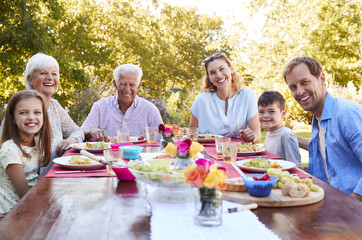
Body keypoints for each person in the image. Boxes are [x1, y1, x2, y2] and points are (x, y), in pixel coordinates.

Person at [283, 56, 362, 200]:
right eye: (293, 87)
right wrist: (290, 137)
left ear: (322, 79)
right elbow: (327, 146)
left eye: (305, 82)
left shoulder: (346, 113)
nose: (299, 92)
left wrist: (352, 203)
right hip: (329, 200)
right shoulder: (318, 118)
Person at [22, 53, 84, 175]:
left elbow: (78, 130)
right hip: (28, 185)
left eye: (54, 74)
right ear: (30, 79)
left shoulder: (54, 106)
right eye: (43, 73)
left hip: (55, 176)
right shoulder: (22, 107)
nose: (50, 78)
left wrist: (72, 139)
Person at [190, 52, 261, 142]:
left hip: (238, 152)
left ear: (231, 70)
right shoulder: (201, 100)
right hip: (206, 153)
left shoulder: (247, 96)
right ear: (209, 78)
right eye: (212, 73)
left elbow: (257, 134)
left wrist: (251, 137)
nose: (219, 75)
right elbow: (192, 134)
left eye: (222, 69)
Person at [0, 90, 52, 213]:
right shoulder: (10, 150)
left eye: (37, 112)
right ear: (13, 118)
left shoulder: (36, 143)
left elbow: (35, 180)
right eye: (23, 113)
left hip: (28, 205)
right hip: (10, 214)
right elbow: (24, 194)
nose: (31, 117)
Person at [81, 64, 163, 141]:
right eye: (123, 84)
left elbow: (161, 141)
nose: (127, 89)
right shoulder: (100, 106)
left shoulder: (150, 110)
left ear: (138, 86)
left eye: (132, 85)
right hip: (106, 155)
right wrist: (91, 131)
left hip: (141, 155)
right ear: (115, 84)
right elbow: (81, 132)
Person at [258, 91, 301, 167]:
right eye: (261, 112)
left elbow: (295, 165)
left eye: (271, 111)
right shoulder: (269, 133)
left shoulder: (286, 135)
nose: (265, 115)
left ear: (283, 113)